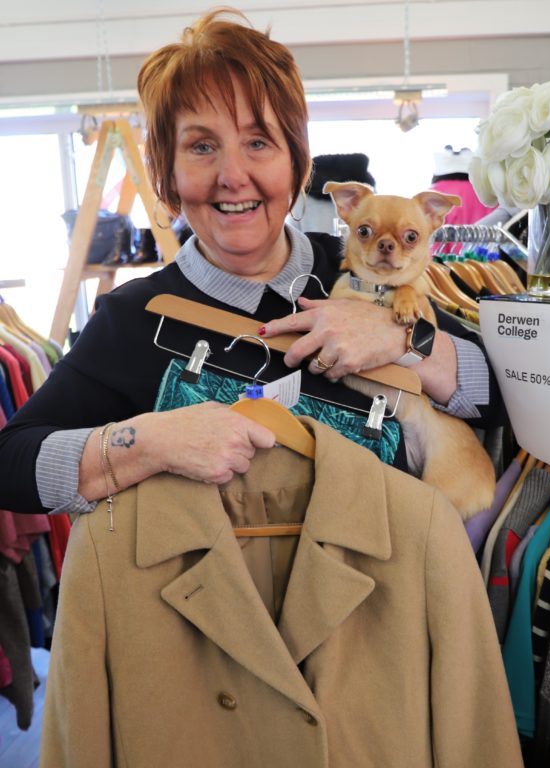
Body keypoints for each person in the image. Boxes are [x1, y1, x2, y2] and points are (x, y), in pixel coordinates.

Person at [0, 7, 496, 517]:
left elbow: (502, 395)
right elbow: (11, 465)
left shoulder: (360, 274)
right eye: (201, 146)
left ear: (296, 161)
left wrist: (402, 341)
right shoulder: (132, 319)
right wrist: (147, 443)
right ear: (167, 173)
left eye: (258, 142)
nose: (233, 175)